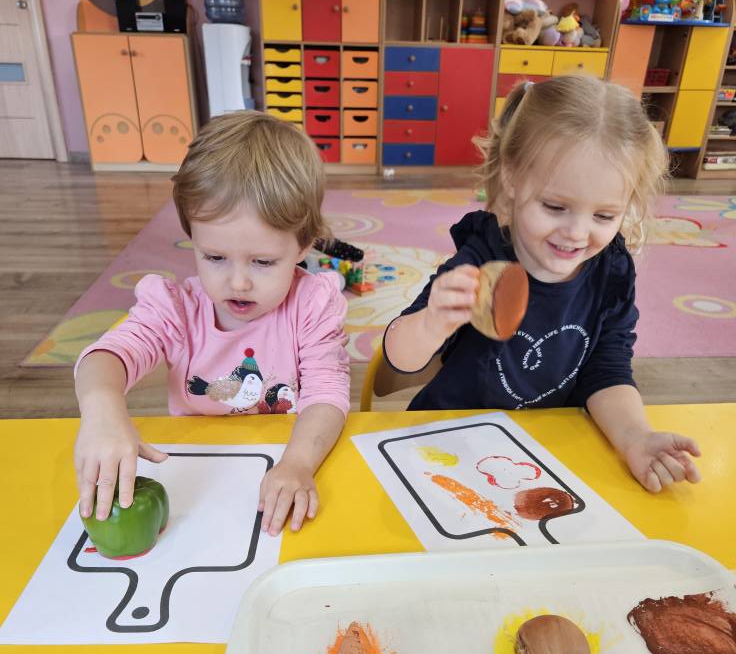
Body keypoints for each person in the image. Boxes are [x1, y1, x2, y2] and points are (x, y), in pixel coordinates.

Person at [383, 75, 701, 493]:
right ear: (512, 178)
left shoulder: (611, 270)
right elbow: (397, 361)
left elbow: (607, 370)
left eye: (604, 216)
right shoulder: (483, 258)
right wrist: (429, 325)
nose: (577, 233)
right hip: (450, 440)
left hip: (543, 447)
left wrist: (635, 437)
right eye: (555, 206)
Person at [74, 111, 350, 535]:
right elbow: (107, 355)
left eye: (262, 262)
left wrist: (298, 463)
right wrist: (102, 413)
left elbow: (327, 393)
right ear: (193, 238)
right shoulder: (175, 309)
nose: (238, 282)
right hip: (198, 474)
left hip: (287, 461)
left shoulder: (312, 304)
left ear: (302, 247)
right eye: (215, 257)